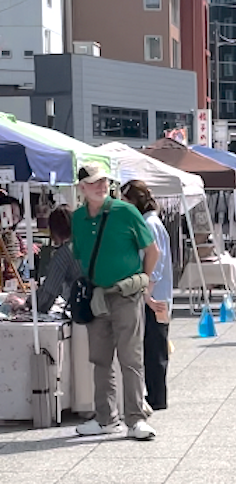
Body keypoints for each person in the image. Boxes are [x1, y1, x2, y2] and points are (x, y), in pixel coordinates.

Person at [72, 163, 159, 441]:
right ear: (82, 188)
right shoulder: (77, 218)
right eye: (94, 182)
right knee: (99, 359)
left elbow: (151, 250)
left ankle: (135, 419)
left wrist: (142, 280)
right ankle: (105, 418)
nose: (101, 186)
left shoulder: (126, 211)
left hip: (125, 293)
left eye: (104, 181)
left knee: (130, 358)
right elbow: (79, 255)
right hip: (96, 295)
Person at [121, 180, 173, 411]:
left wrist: (147, 295)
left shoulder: (148, 224)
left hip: (153, 295)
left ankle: (156, 397)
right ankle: (156, 396)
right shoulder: (151, 222)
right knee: (154, 347)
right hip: (157, 294)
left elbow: (156, 263)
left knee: (153, 347)